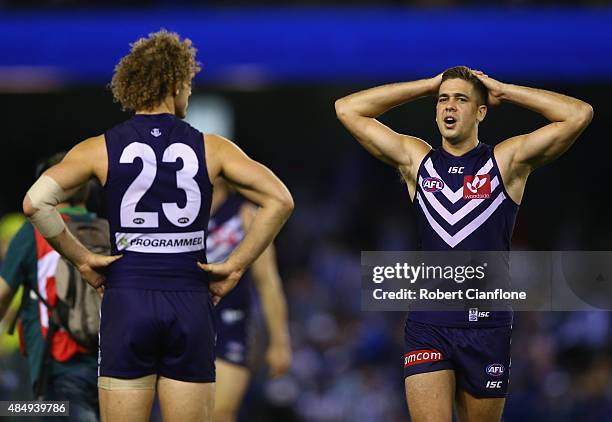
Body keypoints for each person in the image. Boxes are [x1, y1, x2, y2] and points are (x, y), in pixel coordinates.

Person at [22, 30, 293, 422]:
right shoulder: (213, 147)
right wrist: (235, 266)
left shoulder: (99, 147)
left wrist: (82, 259)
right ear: (174, 83)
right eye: (188, 85)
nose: (189, 94)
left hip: (126, 298)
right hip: (190, 300)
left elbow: (35, 203)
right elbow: (280, 200)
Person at [335, 66, 593, 422]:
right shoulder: (418, 161)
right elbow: (348, 109)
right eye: (443, 100)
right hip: (430, 323)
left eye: (460, 99)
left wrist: (503, 89)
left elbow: (578, 114)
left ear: (480, 112)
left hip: (487, 326)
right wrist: (427, 85)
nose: (449, 107)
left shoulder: (505, 162)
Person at [0, 152, 100, 421]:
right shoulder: (109, 230)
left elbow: (1, 296)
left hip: (55, 362)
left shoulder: (33, 231)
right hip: (113, 365)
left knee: (15, 411)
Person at [208, 179, 291, 422]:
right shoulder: (176, 210)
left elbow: (268, 281)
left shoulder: (246, 214)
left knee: (221, 414)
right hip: (182, 319)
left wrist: (279, 341)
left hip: (230, 323)